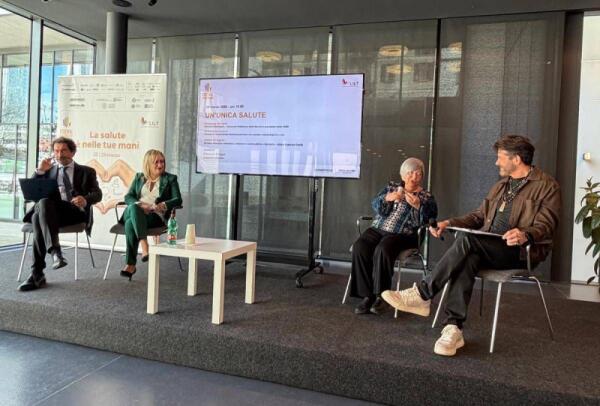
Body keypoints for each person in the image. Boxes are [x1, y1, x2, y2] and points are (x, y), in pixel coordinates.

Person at [382, 135, 560, 356]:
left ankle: (423, 293)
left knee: (467, 242)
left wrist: (525, 234)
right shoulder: (501, 186)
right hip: (488, 246)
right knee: (468, 257)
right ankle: (453, 328)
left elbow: (547, 224)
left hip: (521, 251)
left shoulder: (547, 186)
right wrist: (448, 223)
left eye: (500, 157)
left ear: (516, 159)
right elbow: (478, 217)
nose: (496, 162)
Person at [350, 157, 437, 315]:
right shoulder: (391, 187)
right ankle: (367, 295)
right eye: (410, 173)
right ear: (403, 175)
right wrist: (387, 198)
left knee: (383, 249)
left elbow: (429, 220)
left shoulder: (426, 196)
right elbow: (376, 205)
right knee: (360, 247)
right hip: (379, 229)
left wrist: (418, 206)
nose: (414, 177)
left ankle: (382, 296)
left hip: (404, 234)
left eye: (418, 173)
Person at [19, 137, 102, 291]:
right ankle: (52, 256)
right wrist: (40, 171)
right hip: (50, 214)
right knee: (40, 211)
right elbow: (31, 192)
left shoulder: (86, 171)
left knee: (39, 215)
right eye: (56, 151)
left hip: (73, 213)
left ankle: (38, 272)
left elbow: (97, 194)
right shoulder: (47, 170)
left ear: (72, 152)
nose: (59, 154)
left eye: (63, 150)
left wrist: (85, 199)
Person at [120, 149, 182, 280]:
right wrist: (141, 205)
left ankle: (130, 264)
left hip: (154, 216)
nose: (160, 165)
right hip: (135, 211)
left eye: (162, 161)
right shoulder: (139, 177)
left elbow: (178, 200)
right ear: (148, 164)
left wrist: (163, 205)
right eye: (156, 162)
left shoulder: (170, 179)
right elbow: (128, 196)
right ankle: (144, 243)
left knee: (130, 223)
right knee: (134, 207)